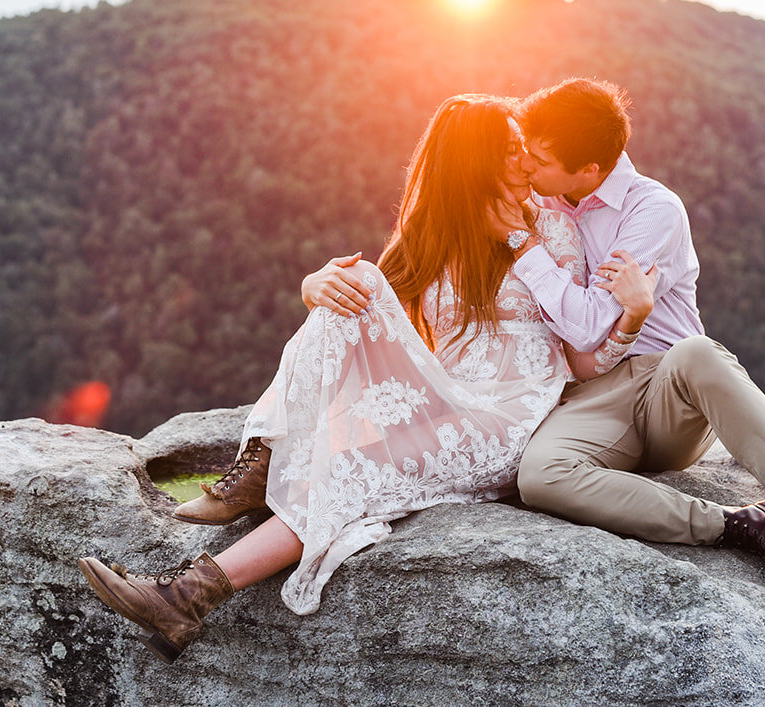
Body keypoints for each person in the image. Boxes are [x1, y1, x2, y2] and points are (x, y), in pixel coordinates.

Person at [77, 94, 655, 662]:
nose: (525, 159)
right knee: (354, 282)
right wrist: (313, 286)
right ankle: (258, 467)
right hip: (442, 396)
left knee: (351, 470)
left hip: (508, 421)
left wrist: (628, 322)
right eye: (509, 150)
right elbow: (360, 315)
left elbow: (580, 355)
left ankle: (186, 594)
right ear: (473, 163)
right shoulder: (435, 235)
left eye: (524, 148)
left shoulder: (554, 232)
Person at [493, 78, 765, 617]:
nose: (528, 169)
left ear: (590, 170)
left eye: (539, 159)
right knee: (539, 476)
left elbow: (590, 325)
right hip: (591, 394)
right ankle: (743, 526)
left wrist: (525, 250)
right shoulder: (540, 200)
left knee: (699, 352)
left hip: (670, 389)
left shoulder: (652, 211)